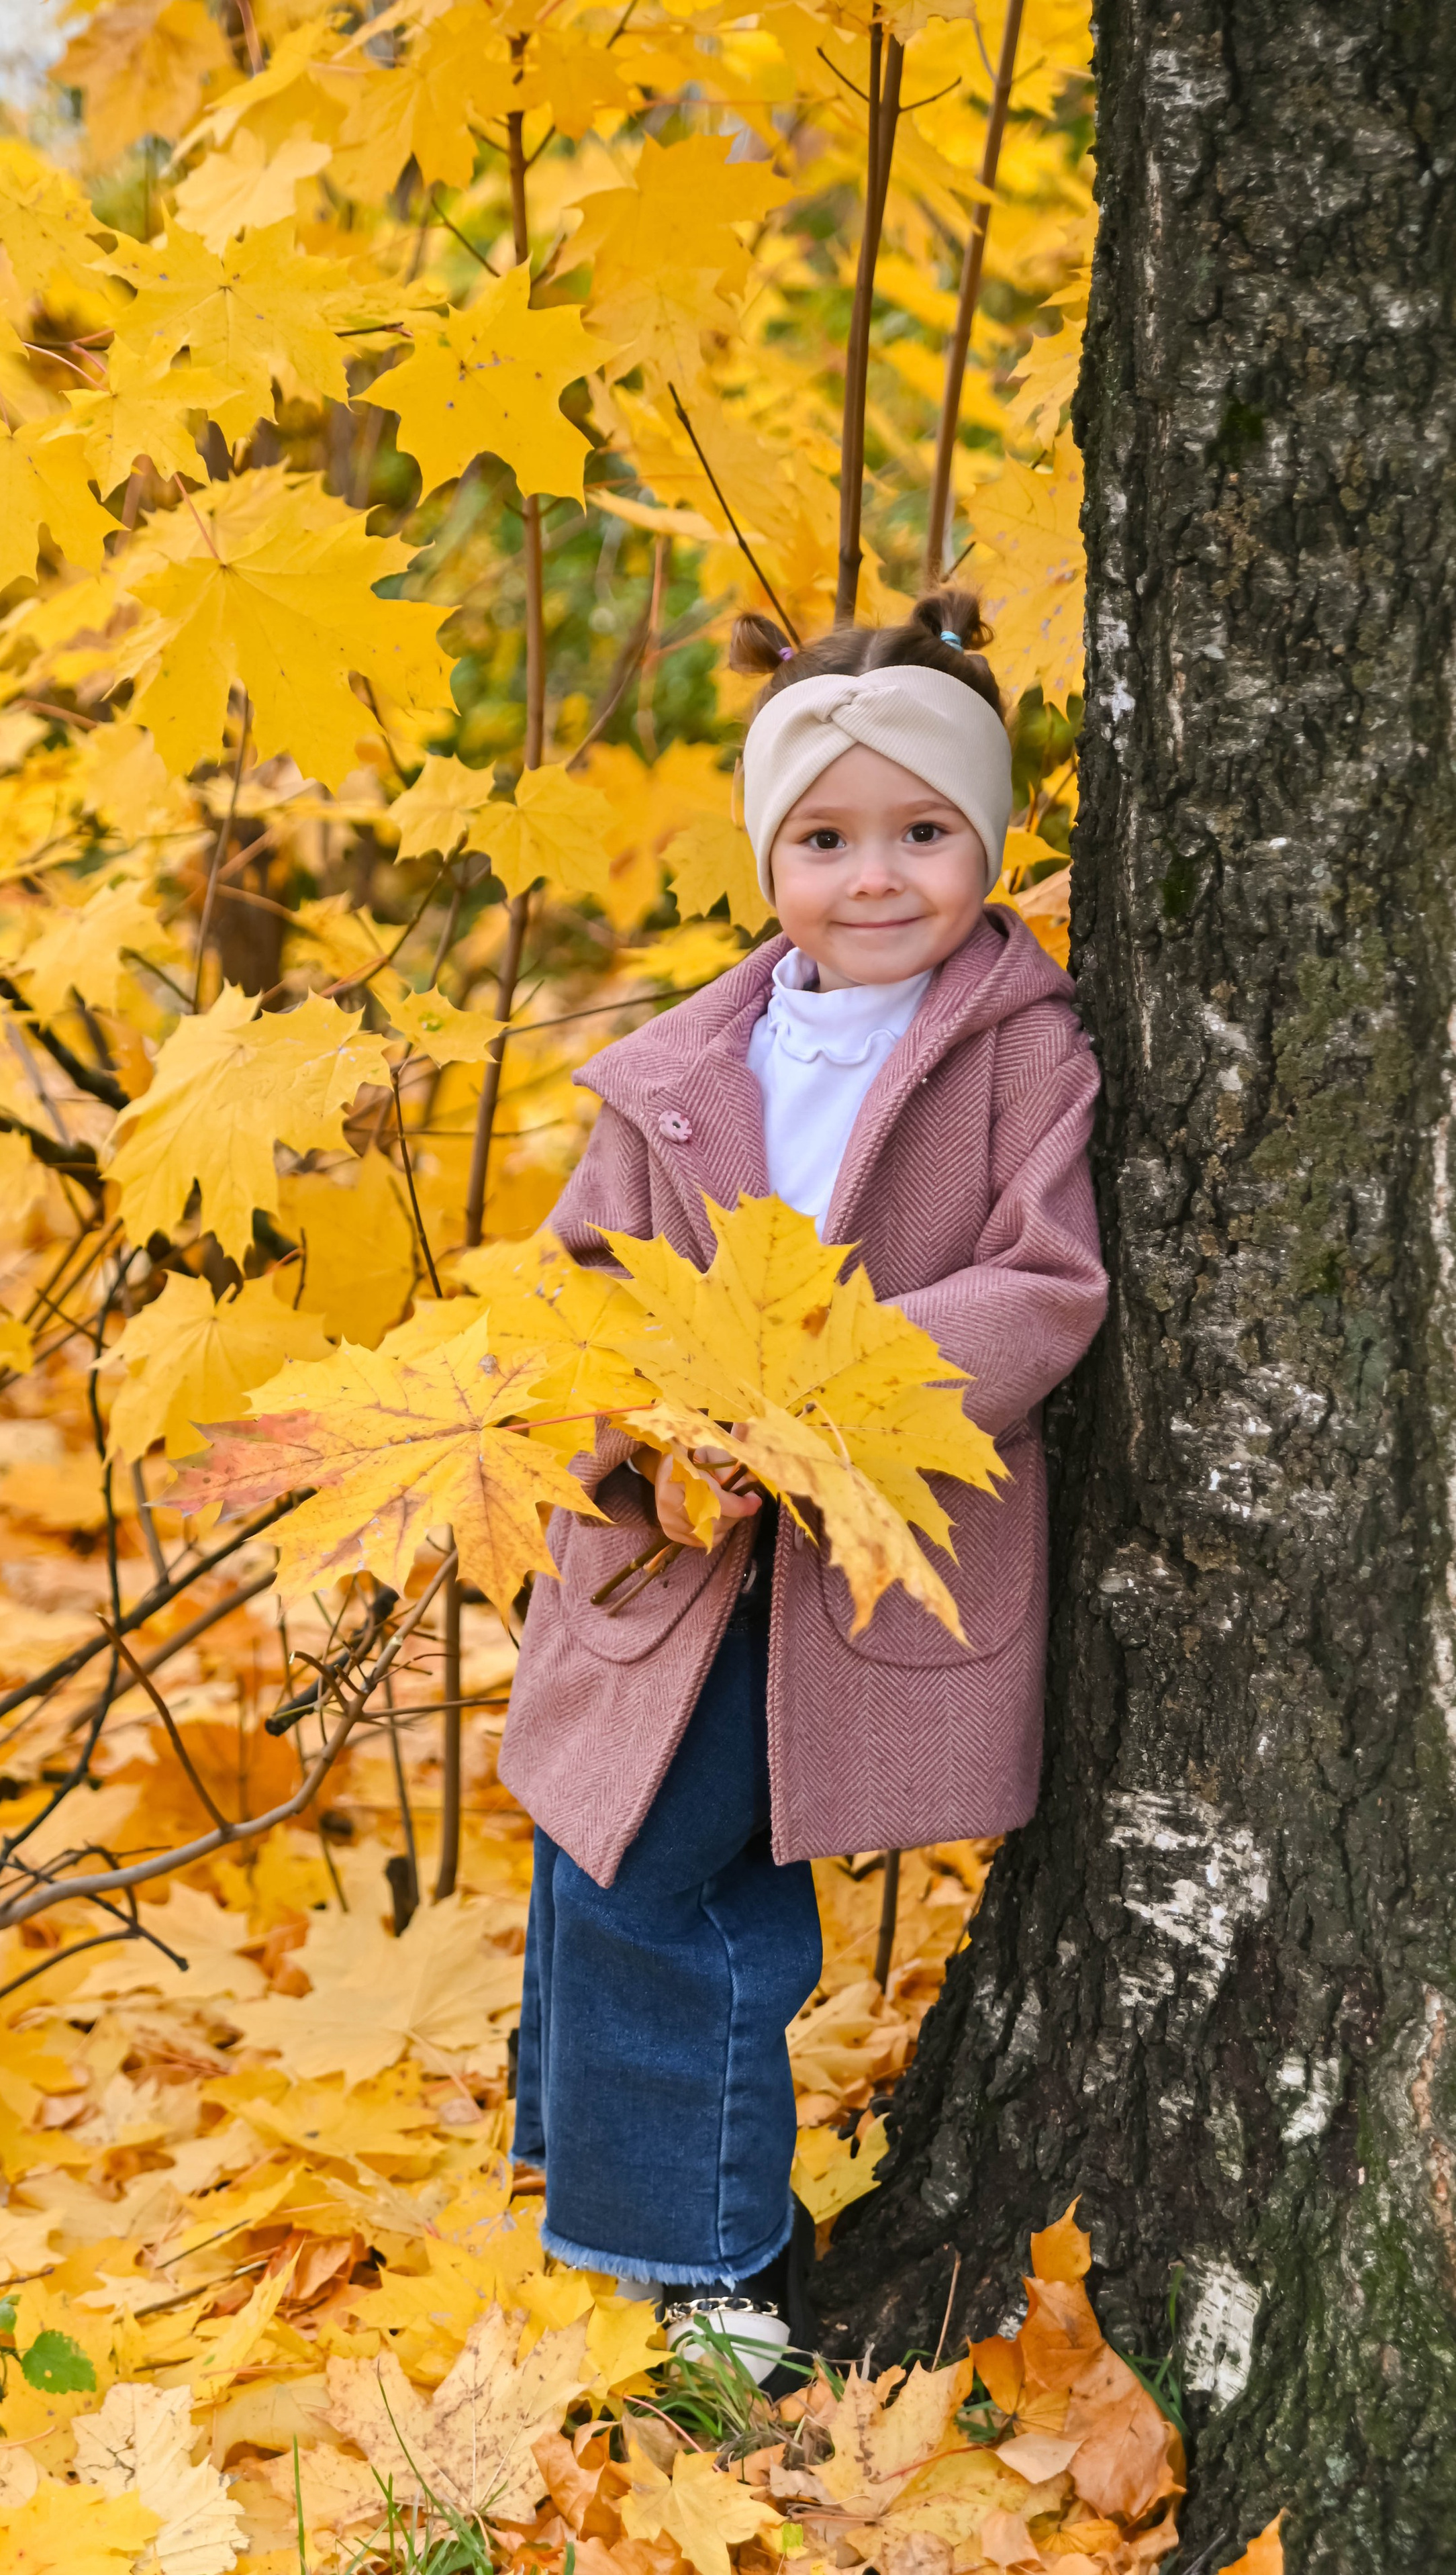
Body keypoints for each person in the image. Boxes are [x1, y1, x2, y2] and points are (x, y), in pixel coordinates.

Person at [499, 590, 1108, 2389]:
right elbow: (580, 1281)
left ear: (987, 842)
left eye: (925, 832)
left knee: (682, 1871)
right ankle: (622, 2201)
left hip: (860, 1530)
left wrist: (829, 1391)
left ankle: (709, 2258)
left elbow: (1044, 1281)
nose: (875, 876)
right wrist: (649, 1420)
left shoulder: (1023, 1048)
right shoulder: (692, 1063)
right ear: (771, 854)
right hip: (677, 1539)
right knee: (606, 1834)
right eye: (827, 839)